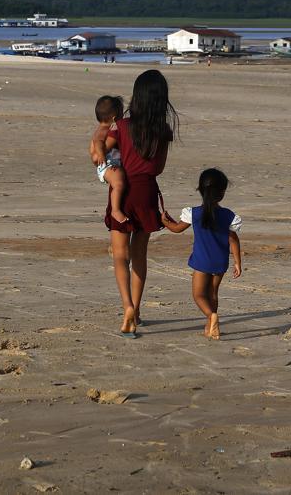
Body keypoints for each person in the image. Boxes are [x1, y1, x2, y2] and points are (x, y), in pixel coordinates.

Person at [102, 70, 178, 338]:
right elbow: (159, 167)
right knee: (139, 256)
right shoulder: (163, 131)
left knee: (120, 256)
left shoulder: (121, 127)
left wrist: (111, 167)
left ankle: (127, 307)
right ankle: (137, 309)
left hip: (121, 191)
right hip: (146, 192)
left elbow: (105, 153)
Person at [161, 168, 242, 340]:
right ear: (222, 193)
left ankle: (211, 317)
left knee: (198, 295)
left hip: (201, 262)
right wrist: (237, 262)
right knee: (213, 293)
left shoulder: (194, 213)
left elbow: (176, 229)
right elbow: (233, 240)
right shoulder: (228, 215)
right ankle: (211, 328)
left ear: (200, 190)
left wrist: (165, 221)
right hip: (220, 262)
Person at [90, 95, 128, 225]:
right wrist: (101, 155)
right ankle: (115, 210)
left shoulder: (107, 128)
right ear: (114, 117)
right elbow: (98, 142)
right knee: (118, 184)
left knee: (121, 181)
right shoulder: (103, 129)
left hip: (112, 163)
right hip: (107, 164)